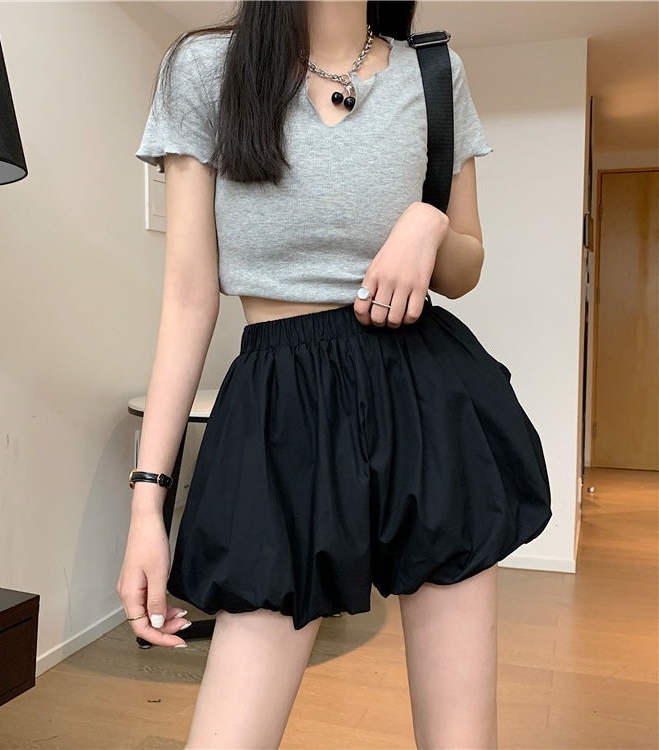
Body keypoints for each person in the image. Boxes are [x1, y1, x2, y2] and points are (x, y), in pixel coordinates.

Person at [118, 1, 552, 747]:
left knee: (459, 738)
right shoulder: (205, 69)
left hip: (424, 402)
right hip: (281, 410)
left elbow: (465, 268)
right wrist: (147, 505)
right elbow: (189, 298)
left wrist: (429, 223)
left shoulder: (434, 74)